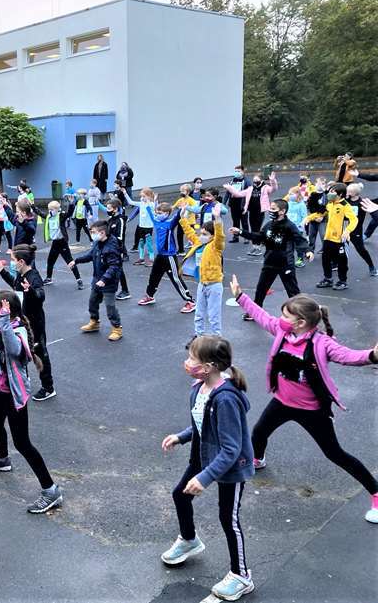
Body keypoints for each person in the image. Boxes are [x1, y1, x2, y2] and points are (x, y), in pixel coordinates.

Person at [231, 278, 378, 524]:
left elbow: (349, 356)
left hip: (311, 410)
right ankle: (258, 459)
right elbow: (263, 317)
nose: (280, 319)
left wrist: (373, 355)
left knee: (335, 453)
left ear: (300, 323)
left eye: (286, 316)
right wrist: (240, 297)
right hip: (281, 401)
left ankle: (376, 492)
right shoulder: (282, 331)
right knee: (258, 432)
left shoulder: (322, 343)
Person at [161, 336, 255, 601]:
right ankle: (190, 540)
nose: (187, 363)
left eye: (193, 359)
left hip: (231, 467)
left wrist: (204, 478)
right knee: (180, 494)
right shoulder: (199, 387)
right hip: (202, 456)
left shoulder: (226, 399)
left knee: (229, 519)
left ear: (210, 366)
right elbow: (204, 425)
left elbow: (231, 448)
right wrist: (181, 436)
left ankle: (241, 576)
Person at [0, 290, 63, 514]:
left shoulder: (16, 329)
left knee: (23, 443)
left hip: (14, 393)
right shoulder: (5, 324)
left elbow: (15, 350)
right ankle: (2, 459)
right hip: (2, 388)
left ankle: (50, 489)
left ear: (4, 312)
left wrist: (4, 319)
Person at [230, 200, 312, 317]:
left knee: (293, 291)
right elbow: (258, 237)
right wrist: (241, 232)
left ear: (282, 211)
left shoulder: (289, 226)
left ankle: (301, 314)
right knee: (261, 289)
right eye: (270, 208)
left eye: (273, 209)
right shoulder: (269, 225)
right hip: (269, 262)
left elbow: (299, 239)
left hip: (285, 264)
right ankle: (254, 313)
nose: (270, 211)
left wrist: (308, 251)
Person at [0, 244, 55, 401]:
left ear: (21, 261)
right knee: (23, 350)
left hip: (35, 322)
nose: (12, 263)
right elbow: (15, 286)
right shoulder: (20, 276)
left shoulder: (33, 277)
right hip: (22, 320)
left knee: (39, 352)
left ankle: (48, 387)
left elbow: (40, 296)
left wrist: (30, 292)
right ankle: (24, 379)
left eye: (13, 260)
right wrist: (3, 272)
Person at [137, 202, 196, 314]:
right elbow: (150, 213)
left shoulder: (170, 223)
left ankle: (190, 301)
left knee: (176, 279)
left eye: (161, 213)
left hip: (169, 256)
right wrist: (150, 203)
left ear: (168, 213)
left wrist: (181, 209)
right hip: (160, 256)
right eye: (158, 212)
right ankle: (150, 296)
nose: (159, 214)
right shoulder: (156, 221)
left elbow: (177, 217)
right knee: (154, 276)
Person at [70, 220, 124, 341]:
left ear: (102, 233)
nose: (91, 234)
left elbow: (114, 266)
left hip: (108, 282)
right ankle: (94, 322)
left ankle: (117, 329)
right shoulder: (97, 243)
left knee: (110, 306)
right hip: (97, 278)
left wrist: (105, 279)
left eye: (93, 232)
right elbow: (91, 255)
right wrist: (76, 261)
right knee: (93, 301)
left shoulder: (111, 247)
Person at [180, 203, 225, 345]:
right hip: (202, 284)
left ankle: (216, 341)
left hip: (214, 285)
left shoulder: (216, 246)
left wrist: (217, 219)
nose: (201, 236)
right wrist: (182, 218)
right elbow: (189, 232)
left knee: (213, 316)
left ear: (212, 236)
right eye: (201, 233)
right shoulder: (198, 243)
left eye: (205, 234)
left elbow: (220, 236)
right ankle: (199, 338)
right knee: (199, 314)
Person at [311, 182, 357, 291]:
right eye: (330, 192)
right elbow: (321, 213)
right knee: (325, 259)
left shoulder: (345, 206)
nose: (330, 194)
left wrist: (347, 231)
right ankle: (328, 279)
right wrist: (308, 218)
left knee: (341, 261)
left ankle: (342, 281)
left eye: (333, 192)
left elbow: (354, 220)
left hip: (340, 239)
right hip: (328, 237)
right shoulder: (330, 204)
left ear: (340, 194)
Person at [224, 172, 279, 256]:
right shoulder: (250, 188)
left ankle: (258, 248)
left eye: (257, 180)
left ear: (261, 180)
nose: (255, 182)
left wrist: (272, 180)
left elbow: (274, 189)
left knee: (257, 230)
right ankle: (254, 247)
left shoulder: (265, 188)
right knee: (253, 229)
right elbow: (238, 194)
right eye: (254, 180)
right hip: (251, 211)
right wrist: (230, 188)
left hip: (260, 212)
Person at [39, 200, 83, 289]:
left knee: (70, 261)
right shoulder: (49, 217)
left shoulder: (61, 216)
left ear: (57, 209)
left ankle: (79, 280)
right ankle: (49, 278)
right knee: (50, 261)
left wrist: (71, 204)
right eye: (49, 210)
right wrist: (32, 206)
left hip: (62, 242)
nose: (50, 211)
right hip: (55, 243)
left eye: (51, 210)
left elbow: (70, 213)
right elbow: (40, 213)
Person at [344, 183, 376, 276]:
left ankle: (371, 266)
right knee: (339, 247)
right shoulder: (346, 201)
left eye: (349, 191)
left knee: (361, 249)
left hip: (356, 230)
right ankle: (336, 264)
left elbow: (367, 215)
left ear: (354, 193)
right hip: (345, 228)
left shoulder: (361, 203)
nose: (347, 192)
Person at [105, 197, 131, 300]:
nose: (107, 210)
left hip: (117, 249)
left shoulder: (120, 219)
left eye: (109, 208)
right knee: (109, 269)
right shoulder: (110, 220)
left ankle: (125, 291)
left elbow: (120, 237)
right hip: (109, 249)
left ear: (115, 209)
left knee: (119, 270)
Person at [124, 187, 155, 266]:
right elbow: (130, 202)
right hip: (141, 227)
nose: (142, 198)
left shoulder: (151, 204)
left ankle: (152, 260)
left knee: (149, 244)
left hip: (148, 227)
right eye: (141, 196)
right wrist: (125, 193)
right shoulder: (141, 204)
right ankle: (141, 259)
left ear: (149, 196)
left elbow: (151, 208)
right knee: (141, 243)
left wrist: (148, 200)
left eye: (144, 196)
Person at [224, 164, 251, 241]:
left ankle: (246, 237)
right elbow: (227, 193)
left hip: (242, 204)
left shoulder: (246, 181)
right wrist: (224, 203)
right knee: (235, 222)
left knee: (244, 222)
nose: (236, 173)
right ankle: (235, 237)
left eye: (238, 171)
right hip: (233, 204)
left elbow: (249, 193)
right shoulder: (232, 181)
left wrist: (247, 204)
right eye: (235, 171)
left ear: (243, 171)